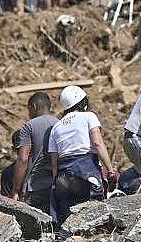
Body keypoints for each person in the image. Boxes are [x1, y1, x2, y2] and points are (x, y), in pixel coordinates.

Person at [48, 86, 114, 226]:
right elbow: (97, 143)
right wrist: (110, 170)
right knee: (95, 215)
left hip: (63, 175)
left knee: (67, 219)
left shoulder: (56, 127)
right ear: (83, 103)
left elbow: (54, 162)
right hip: (85, 169)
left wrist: (55, 182)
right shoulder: (89, 116)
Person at [10, 92, 58, 213]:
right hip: (57, 184)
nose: (29, 113)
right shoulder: (60, 123)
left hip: (36, 186)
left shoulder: (29, 126)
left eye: (29, 109)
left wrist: (16, 189)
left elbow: (23, 159)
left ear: (34, 107)